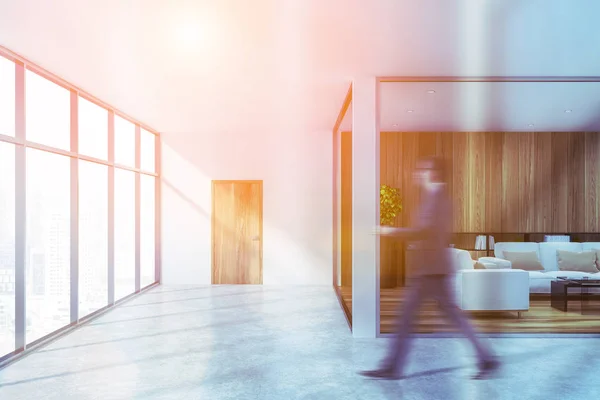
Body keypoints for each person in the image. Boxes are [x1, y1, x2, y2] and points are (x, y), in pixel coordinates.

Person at [359, 155, 499, 380]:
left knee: (407, 317)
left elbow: (424, 231)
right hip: (433, 269)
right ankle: (487, 359)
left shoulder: (438, 199)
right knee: (451, 317)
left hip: (431, 270)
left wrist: (388, 231)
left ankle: (392, 367)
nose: (418, 173)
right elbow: (428, 233)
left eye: (422, 168)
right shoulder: (432, 197)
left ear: (433, 173)